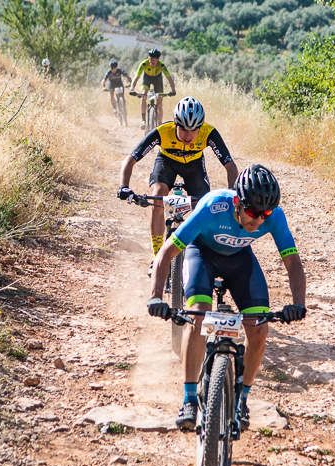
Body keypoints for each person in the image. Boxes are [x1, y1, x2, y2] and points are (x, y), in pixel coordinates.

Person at [145, 164, 307, 430]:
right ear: (236, 202)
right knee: (197, 315)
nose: (258, 221)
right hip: (202, 253)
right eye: (253, 212)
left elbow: (292, 261)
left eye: (265, 214)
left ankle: (242, 399)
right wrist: (155, 296)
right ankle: (188, 399)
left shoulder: (274, 217)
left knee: (258, 329)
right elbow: (166, 253)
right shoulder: (212, 207)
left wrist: (298, 303)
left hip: (240, 260)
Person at [118, 97, 238, 266]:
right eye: (183, 129)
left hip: (194, 166)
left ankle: (202, 252)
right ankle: (158, 254)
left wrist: (234, 193)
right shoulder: (162, 131)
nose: (188, 135)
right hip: (166, 163)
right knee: (158, 195)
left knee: (203, 207)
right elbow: (130, 159)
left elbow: (230, 165)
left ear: (201, 127)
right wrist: (124, 186)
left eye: (193, 130)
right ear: (175, 124)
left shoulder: (209, 132)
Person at [130, 48, 176, 128]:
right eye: (151, 59)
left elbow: (169, 78)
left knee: (159, 101)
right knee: (144, 96)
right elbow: (136, 77)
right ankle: (143, 120)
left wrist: (173, 90)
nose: (152, 62)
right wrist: (132, 88)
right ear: (148, 57)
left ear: (158, 59)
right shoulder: (144, 64)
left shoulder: (161, 66)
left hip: (157, 79)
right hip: (147, 78)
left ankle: (159, 123)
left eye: (154, 60)